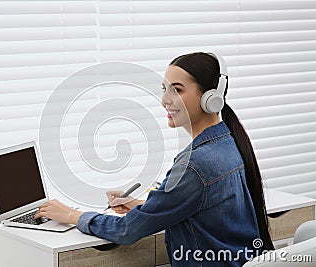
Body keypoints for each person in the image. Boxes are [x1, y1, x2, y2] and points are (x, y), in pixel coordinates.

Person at [34, 52, 274, 266]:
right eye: (165, 89)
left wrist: (71, 216)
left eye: (177, 90)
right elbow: (203, 209)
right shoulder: (228, 143)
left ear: (210, 98)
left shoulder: (195, 165)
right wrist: (144, 207)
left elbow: (128, 230)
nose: (165, 100)